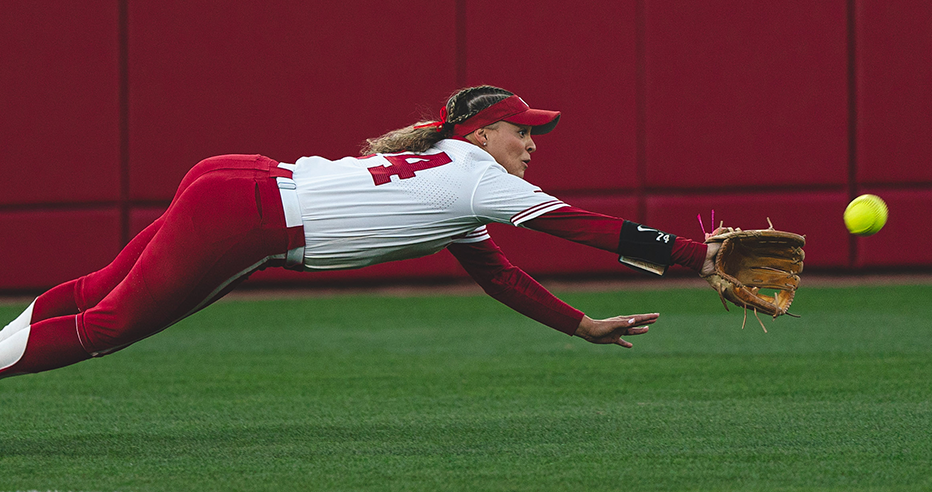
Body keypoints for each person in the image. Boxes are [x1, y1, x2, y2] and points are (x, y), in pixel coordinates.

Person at [0, 85, 719, 380]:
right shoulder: (480, 177)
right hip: (248, 220)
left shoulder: (451, 166)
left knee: (96, 293)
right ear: (484, 131)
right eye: (522, 131)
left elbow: (498, 274)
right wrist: (691, 256)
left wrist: (581, 326)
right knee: (106, 327)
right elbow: (583, 228)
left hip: (234, 181)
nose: (532, 143)